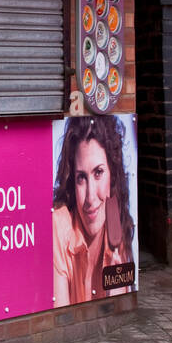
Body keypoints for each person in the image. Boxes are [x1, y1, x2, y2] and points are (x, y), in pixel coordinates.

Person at [52, 115, 135, 307]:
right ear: (72, 182)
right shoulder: (58, 226)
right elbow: (62, 322)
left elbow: (120, 322)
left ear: (112, 175)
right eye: (81, 177)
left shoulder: (118, 228)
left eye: (98, 173)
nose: (90, 197)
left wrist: (116, 292)